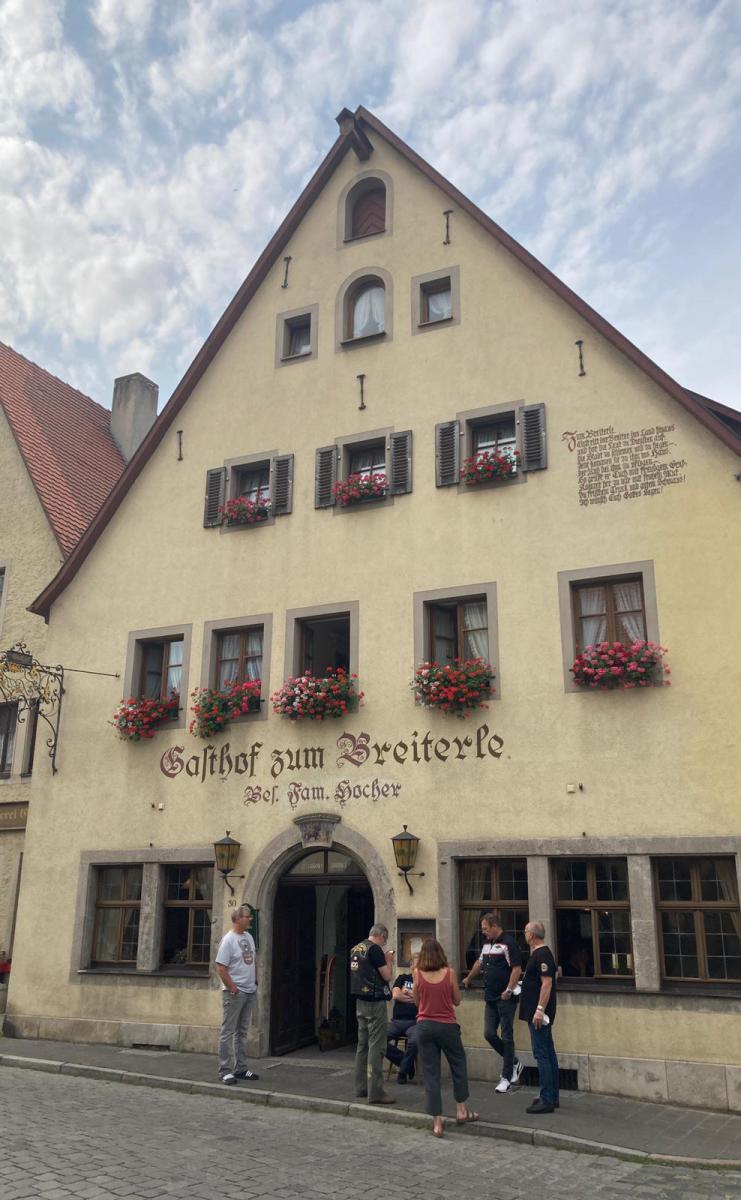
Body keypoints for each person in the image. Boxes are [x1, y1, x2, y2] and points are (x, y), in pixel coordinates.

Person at [412, 938, 477, 1137]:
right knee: (458, 1065)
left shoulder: (417, 974)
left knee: (431, 1073)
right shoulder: (449, 973)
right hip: (447, 1026)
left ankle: (437, 1123)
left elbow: (417, 1002)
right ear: (441, 954)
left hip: (424, 1026)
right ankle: (461, 1110)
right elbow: (457, 1000)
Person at [462, 910, 523, 1093]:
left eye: (485, 928)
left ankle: (506, 1077)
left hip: (505, 998)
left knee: (507, 1036)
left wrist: (508, 990)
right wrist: (469, 978)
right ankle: (513, 1062)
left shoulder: (508, 943)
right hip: (490, 997)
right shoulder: (487, 944)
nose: (483, 932)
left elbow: (517, 969)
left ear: (495, 926)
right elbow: (479, 963)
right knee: (489, 1033)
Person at [350, 923, 396, 1105]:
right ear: (381, 936)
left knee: (362, 1045)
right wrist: (389, 960)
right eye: (385, 940)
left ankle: (360, 1087)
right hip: (374, 1001)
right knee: (377, 1046)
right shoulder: (375, 950)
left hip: (360, 1001)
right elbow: (387, 976)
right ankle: (376, 1092)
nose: (384, 944)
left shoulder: (356, 948)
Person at [215, 905, 260, 1085]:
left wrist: (255, 980)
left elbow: (254, 959)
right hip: (235, 992)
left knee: (242, 1032)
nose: (251, 919)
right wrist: (232, 987)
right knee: (228, 1032)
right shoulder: (228, 940)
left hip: (249, 991)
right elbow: (221, 967)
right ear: (238, 919)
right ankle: (225, 1071)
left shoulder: (248, 937)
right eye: (248, 917)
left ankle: (241, 1068)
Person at [519, 920, 559, 1114]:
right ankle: (551, 1095)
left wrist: (540, 1009)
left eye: (526, 931)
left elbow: (547, 983)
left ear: (532, 935)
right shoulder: (538, 954)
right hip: (536, 1011)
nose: (524, 934)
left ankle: (547, 1099)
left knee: (542, 1054)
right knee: (548, 1053)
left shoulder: (542, 955)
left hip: (539, 1014)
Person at [385, 951, 420, 1084]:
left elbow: (422, 1001)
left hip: (415, 1022)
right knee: (378, 1039)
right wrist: (414, 997)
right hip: (396, 1022)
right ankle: (404, 1062)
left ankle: (402, 1073)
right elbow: (396, 995)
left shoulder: (425, 982)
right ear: (411, 966)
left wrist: (407, 993)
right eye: (416, 965)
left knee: (414, 1041)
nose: (418, 968)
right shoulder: (402, 978)